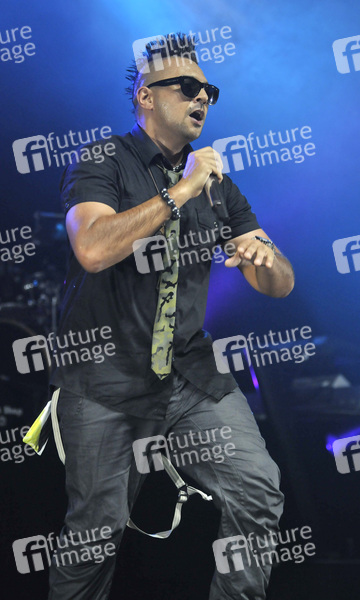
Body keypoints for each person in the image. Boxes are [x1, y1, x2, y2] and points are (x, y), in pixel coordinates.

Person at [34, 33, 294, 599]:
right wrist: (182, 189)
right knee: (95, 535)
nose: (202, 98)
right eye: (187, 86)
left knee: (258, 489)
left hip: (189, 376)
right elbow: (92, 248)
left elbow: (280, 284)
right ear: (146, 96)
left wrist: (264, 256)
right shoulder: (104, 159)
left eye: (209, 91)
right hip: (105, 377)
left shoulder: (218, 186)